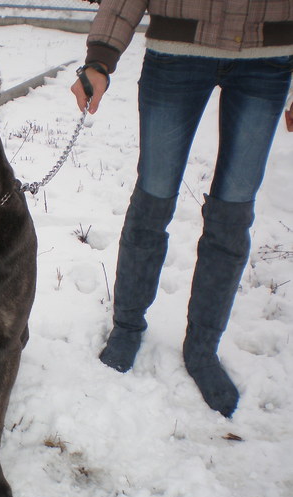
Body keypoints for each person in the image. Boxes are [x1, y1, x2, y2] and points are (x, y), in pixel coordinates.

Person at [71, 0, 293, 418]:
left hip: (268, 57)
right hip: (178, 52)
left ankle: (202, 348)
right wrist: (100, 58)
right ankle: (127, 327)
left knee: (234, 209)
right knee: (153, 197)